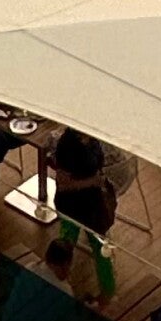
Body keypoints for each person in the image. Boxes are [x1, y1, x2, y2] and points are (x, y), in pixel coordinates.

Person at [49, 127, 116, 302]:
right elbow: (63, 185)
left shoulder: (92, 139)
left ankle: (107, 292)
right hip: (72, 204)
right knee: (67, 244)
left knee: (101, 248)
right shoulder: (67, 145)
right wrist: (92, 181)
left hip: (93, 203)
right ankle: (57, 283)